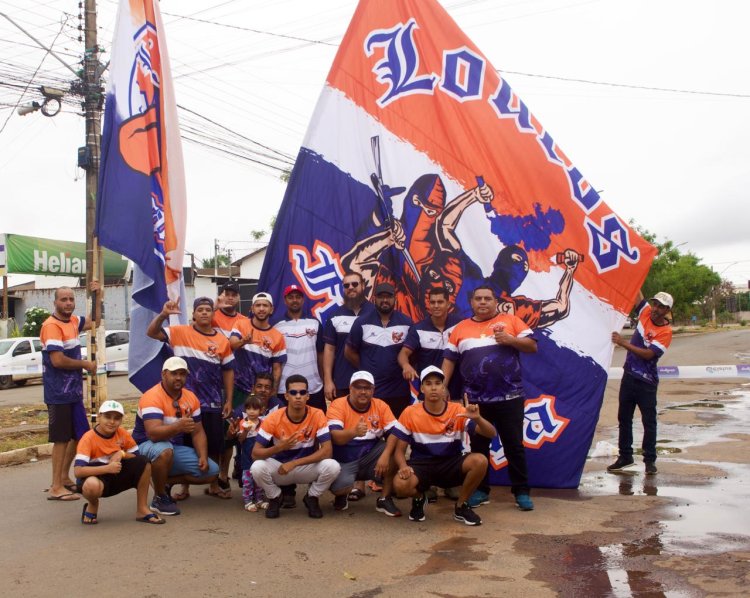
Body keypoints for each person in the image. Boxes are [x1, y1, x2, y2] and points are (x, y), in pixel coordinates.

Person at [442, 285, 538, 511]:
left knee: (514, 445)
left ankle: (521, 491)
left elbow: (532, 346)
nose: (482, 302)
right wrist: (444, 385)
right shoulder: (460, 329)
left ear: (496, 301)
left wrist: (510, 340)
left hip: (510, 397)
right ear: (472, 302)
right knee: (478, 447)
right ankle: (481, 490)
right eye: (478, 299)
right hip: (476, 401)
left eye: (487, 298)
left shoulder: (511, 321)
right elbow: (449, 360)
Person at [147, 296, 234, 499]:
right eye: (200, 309)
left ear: (214, 315)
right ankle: (183, 488)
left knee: (212, 445)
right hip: (181, 403)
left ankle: (213, 485)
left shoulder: (222, 341)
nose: (204, 313)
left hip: (212, 402)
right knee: (183, 444)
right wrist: (163, 315)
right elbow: (151, 332)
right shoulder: (179, 332)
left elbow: (228, 371)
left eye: (208, 310)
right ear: (193, 314)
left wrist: (228, 399)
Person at [391, 366, 496, 526]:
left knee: (480, 461)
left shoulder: (458, 410)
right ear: (422, 388)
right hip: (421, 464)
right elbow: (399, 450)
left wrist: (478, 418)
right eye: (428, 383)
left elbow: (491, 433)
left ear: (443, 388)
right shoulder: (410, 412)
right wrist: (403, 466)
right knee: (400, 485)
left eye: (438, 383)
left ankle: (461, 506)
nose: (433, 387)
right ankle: (420, 499)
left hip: (450, 463)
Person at [131, 356, 221, 515]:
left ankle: (160, 480)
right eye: (174, 373)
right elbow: (153, 434)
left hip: (172, 448)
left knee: (211, 472)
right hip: (144, 446)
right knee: (164, 450)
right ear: (164, 374)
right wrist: (178, 426)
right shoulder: (152, 396)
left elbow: (198, 431)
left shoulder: (190, 397)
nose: (178, 377)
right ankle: (159, 498)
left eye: (182, 373)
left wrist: (202, 455)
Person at [251, 374, 341, 519]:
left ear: (308, 396)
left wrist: (294, 463)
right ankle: (275, 497)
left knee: (333, 466)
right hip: (280, 468)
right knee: (257, 467)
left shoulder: (317, 414)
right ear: (286, 396)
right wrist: (280, 447)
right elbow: (255, 453)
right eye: (293, 393)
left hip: (304, 467)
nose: (298, 396)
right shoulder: (273, 418)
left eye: (302, 392)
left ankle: (312, 497)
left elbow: (327, 451)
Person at [41, 284, 98, 501]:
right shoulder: (51, 326)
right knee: (61, 439)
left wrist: (96, 294)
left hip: (73, 393)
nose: (68, 303)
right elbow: (57, 360)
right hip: (58, 394)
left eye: (71, 299)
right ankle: (56, 486)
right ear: (55, 302)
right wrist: (84, 363)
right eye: (63, 299)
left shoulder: (74, 322)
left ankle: (64, 478)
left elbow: (95, 321)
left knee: (80, 436)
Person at [609, 291, 674, 475]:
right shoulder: (644, 311)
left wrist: (623, 343)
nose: (656, 309)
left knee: (649, 422)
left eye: (661, 307)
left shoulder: (666, 332)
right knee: (624, 419)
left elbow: (648, 355)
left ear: (667, 310)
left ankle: (649, 460)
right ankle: (625, 456)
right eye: (655, 304)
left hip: (647, 383)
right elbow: (637, 293)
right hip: (629, 377)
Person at [73, 400, 164, 525]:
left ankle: (142, 509)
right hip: (95, 478)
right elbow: (78, 471)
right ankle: (93, 504)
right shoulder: (88, 438)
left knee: (144, 463)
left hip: (115, 474)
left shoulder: (122, 433)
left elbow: (136, 457)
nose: (111, 422)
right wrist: (107, 468)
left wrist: (121, 453)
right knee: (91, 485)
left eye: (116, 418)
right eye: (107, 417)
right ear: (99, 417)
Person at [327, 371, 400, 516]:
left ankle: (384, 498)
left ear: (373, 390)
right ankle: (341, 495)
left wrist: (385, 456)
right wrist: (353, 432)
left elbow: (396, 433)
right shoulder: (338, 404)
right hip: (344, 459)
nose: (363, 391)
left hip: (370, 457)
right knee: (338, 487)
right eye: (358, 387)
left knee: (395, 448)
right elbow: (335, 438)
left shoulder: (380, 405)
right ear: (350, 388)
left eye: (367, 388)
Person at [345, 282, 413, 418]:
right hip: (371, 392)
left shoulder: (406, 322)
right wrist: (365, 367)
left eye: (389, 297)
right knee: (370, 432)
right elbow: (349, 352)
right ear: (374, 298)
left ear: (395, 299)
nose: (385, 300)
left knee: (397, 434)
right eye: (381, 297)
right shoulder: (361, 322)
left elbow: (412, 354)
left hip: (398, 392)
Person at [398, 287, 463, 399]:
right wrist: (406, 365)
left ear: (448, 304)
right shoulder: (419, 328)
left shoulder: (460, 324)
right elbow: (403, 354)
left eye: (440, 302)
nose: (436, 306)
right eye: (432, 302)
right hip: (429, 393)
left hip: (457, 392)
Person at [322, 271, 375, 402]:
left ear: (363, 285)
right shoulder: (335, 316)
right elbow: (329, 350)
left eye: (354, 284)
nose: (350, 287)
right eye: (346, 285)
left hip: (372, 382)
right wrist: (328, 380)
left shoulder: (376, 313)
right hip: (343, 381)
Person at [274, 284, 326, 412]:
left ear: (303, 300)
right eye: (291, 297)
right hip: (285, 387)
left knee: (317, 426)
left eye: (298, 297)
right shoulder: (276, 326)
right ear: (285, 300)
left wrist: (325, 380)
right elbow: (275, 361)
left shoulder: (314, 323)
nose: (295, 300)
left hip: (313, 386)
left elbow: (321, 354)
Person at [230, 292, 287, 401]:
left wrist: (273, 391)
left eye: (265, 305)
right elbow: (232, 344)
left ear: (271, 309)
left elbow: (277, 368)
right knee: (239, 418)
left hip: (263, 392)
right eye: (258, 305)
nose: (261, 309)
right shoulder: (240, 324)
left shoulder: (277, 336)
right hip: (239, 388)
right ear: (252, 308)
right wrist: (243, 341)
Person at [229, 395, 267, 511]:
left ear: (261, 410)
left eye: (255, 409)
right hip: (246, 456)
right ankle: (248, 501)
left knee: (259, 479)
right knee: (248, 480)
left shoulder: (264, 423)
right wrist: (245, 431)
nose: (251, 411)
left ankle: (259, 499)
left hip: (259, 456)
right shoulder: (243, 423)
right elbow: (240, 440)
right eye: (249, 408)